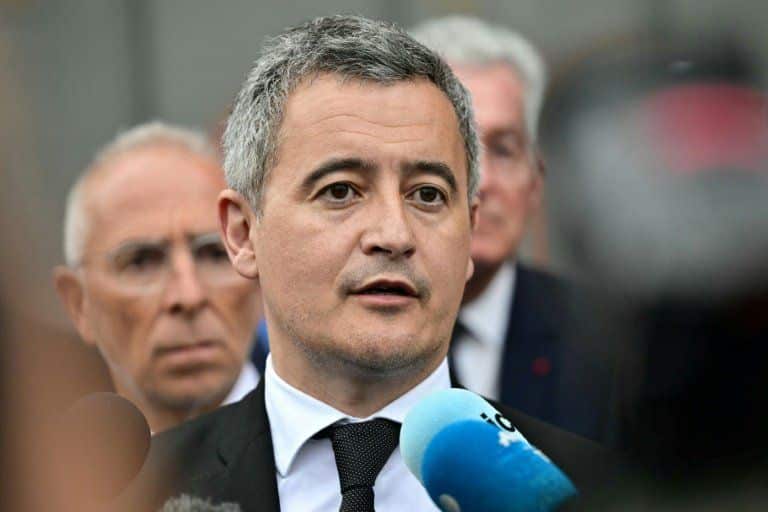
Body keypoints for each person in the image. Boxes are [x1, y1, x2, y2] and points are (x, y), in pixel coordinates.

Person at [126, 16, 621, 512]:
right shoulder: (135, 494)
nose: (394, 235)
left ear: (470, 232)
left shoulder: (589, 494)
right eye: (341, 191)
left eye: (427, 195)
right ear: (242, 232)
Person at [412, 16, 616, 441]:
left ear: (535, 181)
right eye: (457, 147)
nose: (482, 181)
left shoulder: (606, 348)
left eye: (503, 150)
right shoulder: (343, 345)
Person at [53, 122, 262, 433]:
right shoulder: (42, 462)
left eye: (215, 255)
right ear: (78, 303)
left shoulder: (333, 450)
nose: (189, 296)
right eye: (141, 262)